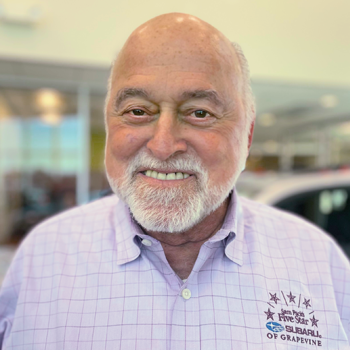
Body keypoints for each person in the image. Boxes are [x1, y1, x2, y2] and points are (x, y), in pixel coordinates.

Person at [0, 13, 349, 350]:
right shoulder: (41, 259)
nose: (163, 146)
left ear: (247, 136)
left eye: (199, 113)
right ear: (110, 126)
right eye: (137, 111)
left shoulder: (320, 262)